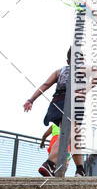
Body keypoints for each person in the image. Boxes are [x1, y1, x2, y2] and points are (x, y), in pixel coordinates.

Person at [24, 47, 86, 177]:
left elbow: (45, 85)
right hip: (71, 104)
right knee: (68, 133)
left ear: (67, 61)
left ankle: (80, 169)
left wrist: (31, 100)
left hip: (56, 103)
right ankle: (49, 163)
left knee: (74, 136)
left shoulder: (59, 71)